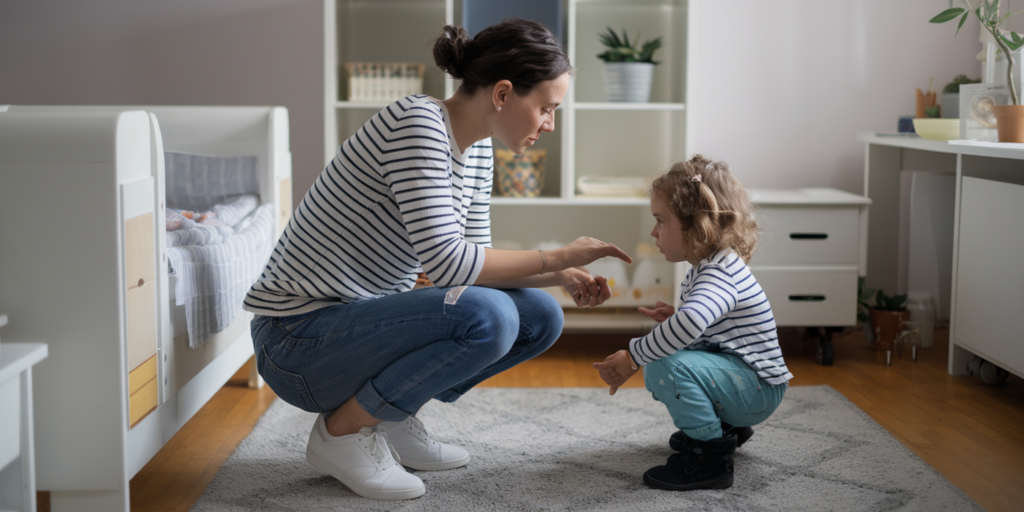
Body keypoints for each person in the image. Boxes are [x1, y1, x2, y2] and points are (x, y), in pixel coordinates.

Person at [244, 19, 632, 501]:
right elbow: (452, 266)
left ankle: (391, 412)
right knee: (488, 316)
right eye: (547, 108)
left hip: (348, 327)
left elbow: (476, 263)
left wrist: (561, 274)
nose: (550, 124)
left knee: (539, 315)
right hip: (294, 341)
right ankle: (343, 433)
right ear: (504, 94)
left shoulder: (480, 149)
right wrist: (558, 254)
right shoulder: (418, 123)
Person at [593, 154, 792, 491]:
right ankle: (724, 428)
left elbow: (692, 322)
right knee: (671, 351)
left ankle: (709, 458)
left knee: (662, 364)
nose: (654, 231)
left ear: (696, 224)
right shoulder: (714, 265)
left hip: (758, 390)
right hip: (752, 383)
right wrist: (676, 317)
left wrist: (633, 356)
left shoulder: (717, 272)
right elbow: (708, 325)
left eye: (661, 221)